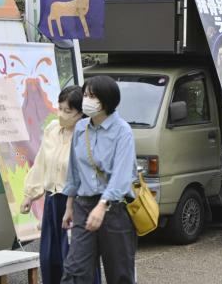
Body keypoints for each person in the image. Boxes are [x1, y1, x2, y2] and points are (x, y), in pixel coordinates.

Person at [61, 76, 138, 284]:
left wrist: (102, 205)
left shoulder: (123, 131)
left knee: (119, 271)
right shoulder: (80, 128)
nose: (86, 100)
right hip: (84, 206)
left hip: (114, 209)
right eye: (85, 95)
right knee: (75, 269)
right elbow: (74, 170)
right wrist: (69, 205)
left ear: (107, 100)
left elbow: (122, 177)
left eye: (92, 96)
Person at [21, 86, 100, 284]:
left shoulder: (86, 135)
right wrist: (29, 194)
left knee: (74, 261)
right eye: (60, 108)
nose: (61, 114)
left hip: (76, 204)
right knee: (49, 258)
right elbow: (40, 162)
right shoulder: (52, 129)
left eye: (68, 111)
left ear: (80, 114)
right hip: (52, 202)